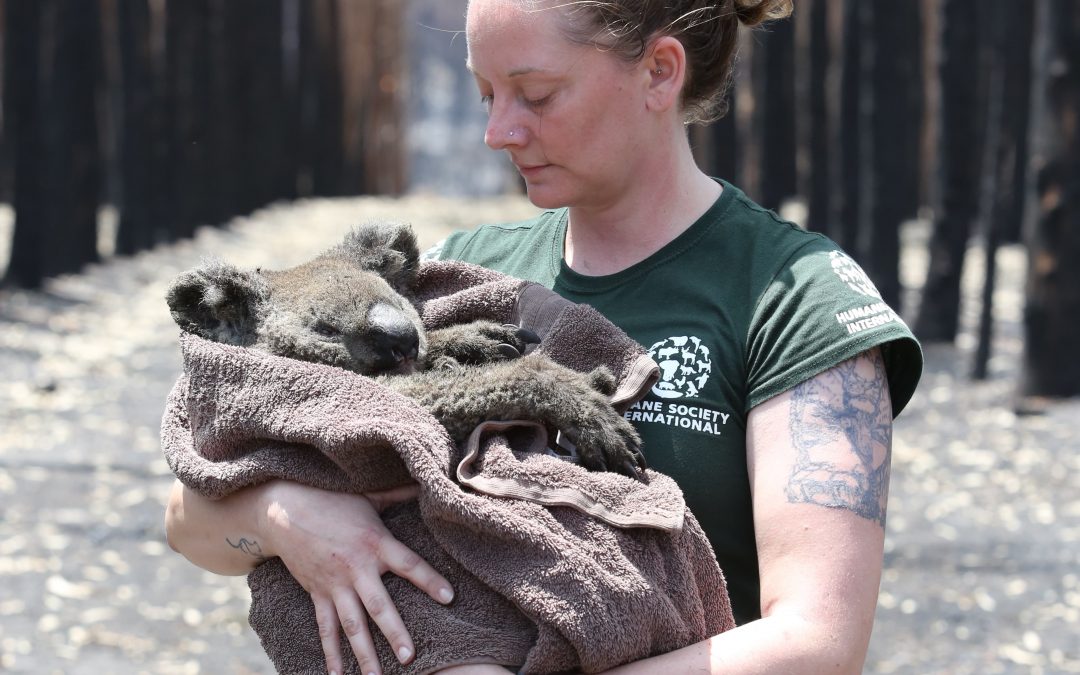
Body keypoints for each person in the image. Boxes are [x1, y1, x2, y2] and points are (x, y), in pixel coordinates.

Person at [164, 0, 923, 673]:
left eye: (535, 94)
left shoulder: (793, 297)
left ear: (659, 72)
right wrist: (284, 519)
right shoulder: (468, 273)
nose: (498, 132)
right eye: (486, 94)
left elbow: (817, 644)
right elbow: (191, 520)